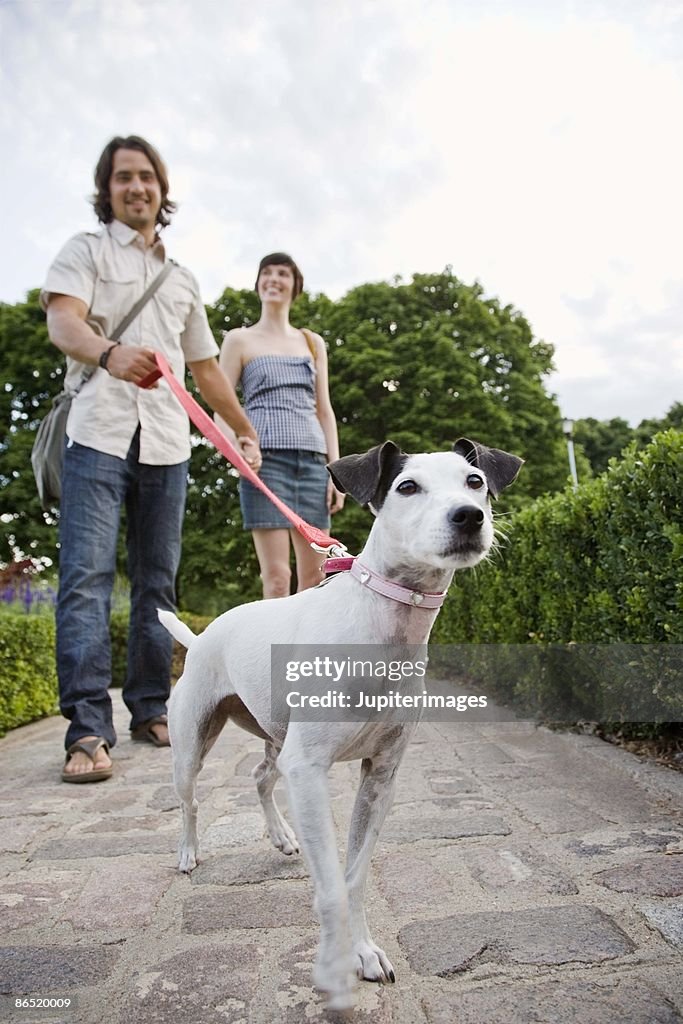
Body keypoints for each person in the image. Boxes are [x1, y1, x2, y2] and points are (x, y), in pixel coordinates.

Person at [41, 135, 261, 783]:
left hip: (167, 444)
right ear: (107, 190)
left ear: (161, 193)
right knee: (85, 580)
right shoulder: (83, 251)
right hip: (97, 435)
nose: (136, 187)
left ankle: (147, 708)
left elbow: (205, 370)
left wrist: (242, 430)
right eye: (123, 178)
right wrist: (109, 354)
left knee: (157, 585)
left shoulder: (183, 279)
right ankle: (86, 729)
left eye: (146, 178)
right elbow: (64, 323)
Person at [217, 253, 344, 599]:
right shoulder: (239, 340)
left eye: (283, 273)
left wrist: (335, 472)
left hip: (312, 464)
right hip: (266, 464)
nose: (273, 279)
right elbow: (220, 406)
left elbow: (325, 410)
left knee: (316, 578)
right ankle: (274, 655)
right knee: (276, 578)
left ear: (295, 286)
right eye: (267, 273)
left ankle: (305, 654)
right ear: (258, 283)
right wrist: (237, 454)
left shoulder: (311, 342)